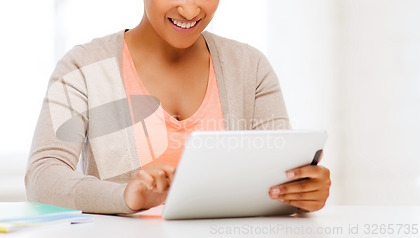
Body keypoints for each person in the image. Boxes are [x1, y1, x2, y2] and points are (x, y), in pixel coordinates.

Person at [25, 0, 331, 214]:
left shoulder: (250, 68)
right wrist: (124, 196)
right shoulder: (83, 66)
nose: (189, 9)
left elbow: (276, 180)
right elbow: (43, 177)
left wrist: (301, 194)